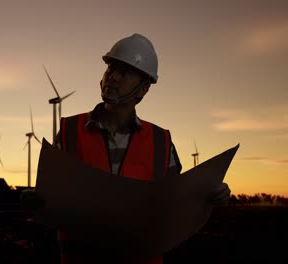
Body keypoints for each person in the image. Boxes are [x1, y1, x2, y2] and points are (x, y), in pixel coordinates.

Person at [21, 33, 231, 264]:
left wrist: (212, 194)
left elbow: (176, 201)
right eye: (111, 68)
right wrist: (36, 199)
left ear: (143, 89)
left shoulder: (161, 141)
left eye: (125, 72)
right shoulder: (69, 131)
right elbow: (54, 194)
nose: (113, 77)